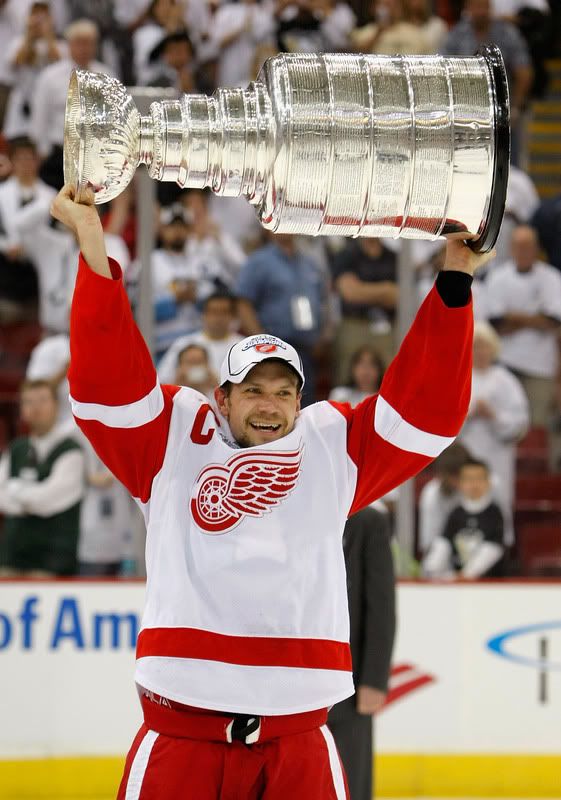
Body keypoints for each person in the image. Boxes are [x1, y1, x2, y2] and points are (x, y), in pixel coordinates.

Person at [50, 182, 493, 800]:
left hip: (297, 739)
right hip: (183, 734)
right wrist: (92, 243)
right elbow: (107, 389)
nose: (270, 406)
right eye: (254, 391)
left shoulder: (329, 449)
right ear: (222, 398)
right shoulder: (172, 441)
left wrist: (455, 276)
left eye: (284, 393)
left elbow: (425, 412)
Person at [328, 506, 396, 800]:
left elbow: (381, 603)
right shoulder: (296, 515)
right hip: (297, 677)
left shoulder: (368, 522)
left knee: (350, 777)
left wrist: (374, 679)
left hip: (349, 681)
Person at [0, 379, 84, 576]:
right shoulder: (16, 449)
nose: (36, 407)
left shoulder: (72, 451)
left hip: (53, 561)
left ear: (56, 405)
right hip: (12, 557)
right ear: (22, 409)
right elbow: (2, 498)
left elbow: (50, 500)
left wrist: (15, 489)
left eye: (42, 400)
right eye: (29, 401)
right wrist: (31, 499)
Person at [485, 224, 561, 426]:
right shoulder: (498, 277)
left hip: (540, 367)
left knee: (536, 426)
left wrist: (513, 316)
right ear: (511, 248)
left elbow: (554, 321)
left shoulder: (552, 278)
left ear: (537, 248)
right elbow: (496, 324)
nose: (523, 251)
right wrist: (536, 319)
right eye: (519, 246)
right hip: (505, 363)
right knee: (505, 423)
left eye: (528, 246)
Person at [29, 19, 114, 189]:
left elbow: (113, 117)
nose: (84, 49)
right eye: (79, 43)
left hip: (94, 156)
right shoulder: (50, 76)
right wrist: (42, 152)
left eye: (88, 44)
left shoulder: (107, 75)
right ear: (69, 45)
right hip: (59, 154)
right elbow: (40, 117)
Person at [458, 320, 529, 523]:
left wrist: (493, 416)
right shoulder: (460, 378)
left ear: (493, 348)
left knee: (499, 496)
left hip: (498, 452)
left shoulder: (506, 380)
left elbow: (519, 422)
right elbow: (446, 418)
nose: (480, 352)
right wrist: (470, 414)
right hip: (467, 449)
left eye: (484, 346)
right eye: (475, 347)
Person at [331, 237, 398, 384]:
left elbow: (398, 296)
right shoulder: (347, 255)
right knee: (347, 374)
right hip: (354, 323)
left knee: (389, 376)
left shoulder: (392, 257)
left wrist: (362, 290)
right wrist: (385, 289)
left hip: (385, 326)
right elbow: (350, 293)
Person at [423, 458, 505, 579]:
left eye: (479, 478)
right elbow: (444, 543)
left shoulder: (494, 513)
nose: (474, 484)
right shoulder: (455, 513)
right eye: (469, 479)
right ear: (460, 483)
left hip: (491, 582)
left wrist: (467, 574)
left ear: (488, 482)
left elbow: (493, 548)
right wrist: (432, 567)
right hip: (459, 582)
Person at [3, 1, 65, 140]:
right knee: (21, 145)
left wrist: (48, 35)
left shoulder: (60, 45)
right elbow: (16, 62)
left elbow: (61, 65)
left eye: (44, 17)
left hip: (49, 108)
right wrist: (29, 36)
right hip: (23, 106)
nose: (39, 22)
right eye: (35, 16)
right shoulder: (18, 42)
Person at [157, 291, 242, 385]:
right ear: (204, 315)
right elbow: (161, 381)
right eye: (213, 312)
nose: (218, 318)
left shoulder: (243, 346)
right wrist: (177, 382)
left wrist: (217, 384)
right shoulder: (183, 343)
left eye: (224, 312)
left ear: (233, 316)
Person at [417, 442, 471, 556]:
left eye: (461, 475)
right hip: (444, 554)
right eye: (453, 476)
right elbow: (429, 541)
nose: (457, 481)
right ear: (443, 474)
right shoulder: (432, 493)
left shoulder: (486, 485)